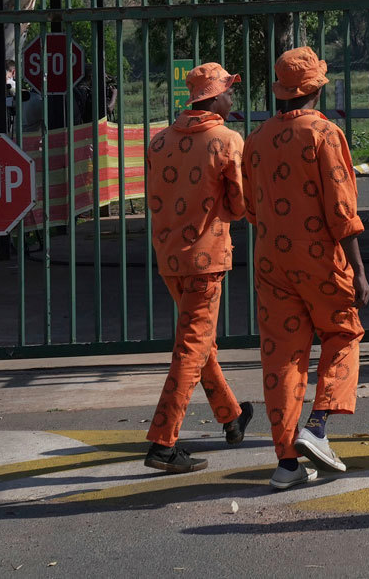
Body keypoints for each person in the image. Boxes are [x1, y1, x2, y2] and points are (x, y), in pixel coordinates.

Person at [243, 46, 369, 491]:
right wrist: (358, 270)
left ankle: (287, 463)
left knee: (282, 357)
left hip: (270, 259)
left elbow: (251, 207)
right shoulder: (324, 133)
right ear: (316, 87)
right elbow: (341, 209)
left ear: (281, 90)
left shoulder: (256, 139)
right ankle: (316, 426)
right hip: (318, 255)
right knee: (344, 333)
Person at [142, 61, 253, 473]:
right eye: (228, 91)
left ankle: (231, 417)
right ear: (213, 97)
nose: (231, 98)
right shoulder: (226, 140)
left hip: (170, 258)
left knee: (198, 341)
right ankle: (163, 443)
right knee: (192, 346)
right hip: (207, 259)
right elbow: (241, 207)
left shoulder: (158, 142)